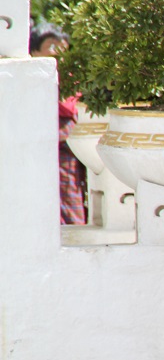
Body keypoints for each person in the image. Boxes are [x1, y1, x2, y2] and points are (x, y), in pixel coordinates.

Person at [31, 24, 85, 225]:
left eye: (63, 48)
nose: (59, 53)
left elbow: (70, 108)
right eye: (52, 46)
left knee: (70, 199)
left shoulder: (70, 79)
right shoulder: (29, 79)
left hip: (67, 150)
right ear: (34, 51)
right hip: (40, 151)